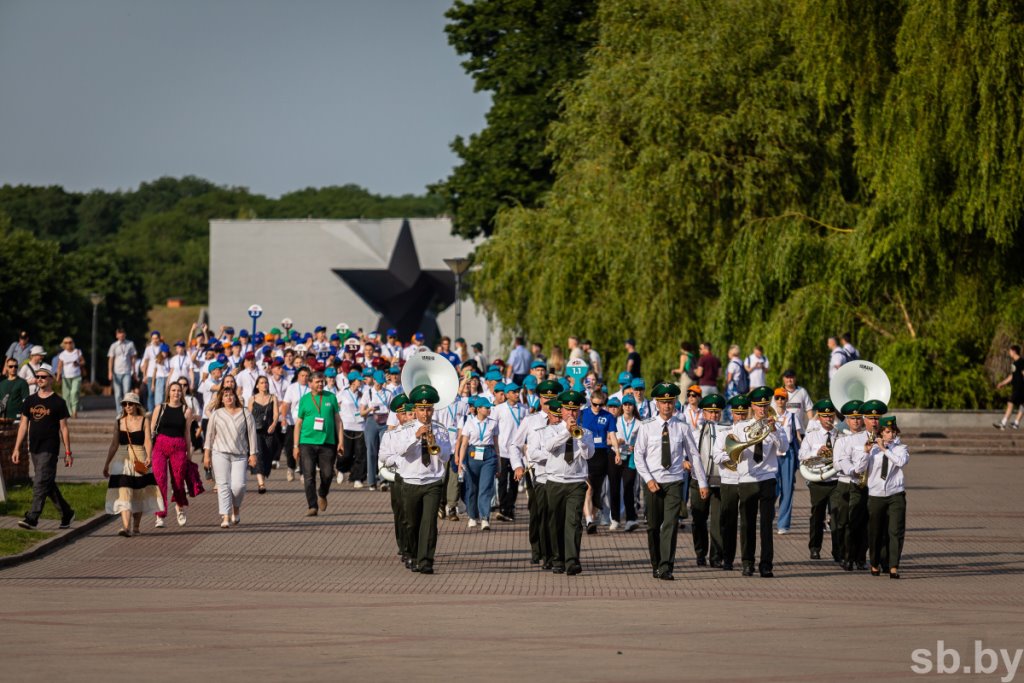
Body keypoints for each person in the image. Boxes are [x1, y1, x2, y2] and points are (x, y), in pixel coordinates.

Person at [634, 382, 707, 580]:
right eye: (663, 402)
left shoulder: (682, 427)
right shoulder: (647, 427)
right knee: (653, 526)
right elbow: (638, 457)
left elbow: (693, 455)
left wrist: (702, 482)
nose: (667, 406)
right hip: (653, 482)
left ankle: (666, 567)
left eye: (670, 401)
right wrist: (648, 480)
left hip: (674, 481)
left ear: (675, 402)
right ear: (656, 403)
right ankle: (656, 563)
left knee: (670, 524)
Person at [714, 386, 788, 577]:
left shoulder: (776, 426)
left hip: (768, 478)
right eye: (758, 406)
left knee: (766, 524)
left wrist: (773, 431)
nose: (762, 409)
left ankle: (766, 564)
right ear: (752, 406)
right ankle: (747, 562)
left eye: (765, 405)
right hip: (746, 478)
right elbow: (731, 450)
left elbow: (784, 448)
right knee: (747, 523)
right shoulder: (740, 427)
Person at [386, 384, 453, 574]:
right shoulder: (404, 430)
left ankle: (426, 561)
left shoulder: (440, 430)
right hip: (410, 481)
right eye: (422, 409)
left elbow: (446, 456)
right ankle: (413, 554)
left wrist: (435, 442)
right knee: (411, 523)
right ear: (415, 410)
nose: (426, 413)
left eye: (429, 409)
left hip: (432, 481)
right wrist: (415, 437)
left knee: (429, 523)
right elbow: (398, 451)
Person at [10, 364, 75, 530]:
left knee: (39, 482)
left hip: (50, 448)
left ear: (51, 379)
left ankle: (32, 517)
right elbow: (23, 425)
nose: (39, 379)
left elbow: (64, 428)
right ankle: (66, 513)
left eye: (43, 377)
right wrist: (17, 448)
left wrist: (68, 452)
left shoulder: (58, 402)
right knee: (47, 482)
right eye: (37, 377)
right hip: (34, 447)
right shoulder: (30, 401)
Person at [538, 390, 595, 576]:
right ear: (561, 410)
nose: (571, 414)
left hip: (576, 481)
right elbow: (548, 447)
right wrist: (566, 431)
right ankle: (558, 559)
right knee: (555, 523)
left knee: (573, 522)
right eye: (568, 410)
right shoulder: (551, 429)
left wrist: (579, 438)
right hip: (554, 481)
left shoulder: (586, 433)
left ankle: (572, 561)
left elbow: (589, 455)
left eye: (575, 410)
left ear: (579, 411)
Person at [512, 379, 562, 567]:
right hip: (535, 472)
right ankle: (537, 549)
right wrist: (517, 465)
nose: (548, 402)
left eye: (552, 398)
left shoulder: (564, 420)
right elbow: (514, 444)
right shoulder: (530, 420)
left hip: (559, 474)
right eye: (545, 398)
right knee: (538, 514)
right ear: (539, 399)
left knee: (553, 515)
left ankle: (551, 554)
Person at [853, 415, 908, 578]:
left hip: (895, 494)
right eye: (887, 432)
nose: (890, 435)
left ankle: (893, 567)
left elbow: (900, 462)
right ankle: (875, 562)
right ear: (881, 434)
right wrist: (866, 452)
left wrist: (885, 450)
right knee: (875, 531)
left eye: (892, 432)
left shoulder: (901, 448)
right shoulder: (872, 449)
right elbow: (859, 468)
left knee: (895, 531)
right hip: (876, 495)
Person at [102, 392, 163, 536]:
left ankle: (136, 527)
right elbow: (114, 444)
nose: (127, 406)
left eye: (130, 404)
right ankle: (125, 527)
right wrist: (106, 464)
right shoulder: (119, 421)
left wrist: (149, 456)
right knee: (124, 492)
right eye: (124, 404)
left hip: (139, 457)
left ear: (136, 405)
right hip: (121, 460)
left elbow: (148, 440)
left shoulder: (144, 420)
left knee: (139, 492)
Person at [203, 384, 258, 528]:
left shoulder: (246, 413)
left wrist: (253, 454)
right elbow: (209, 436)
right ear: (221, 399)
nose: (228, 397)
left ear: (236, 397)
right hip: (220, 453)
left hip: (240, 454)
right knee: (223, 485)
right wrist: (207, 455)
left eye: (231, 395)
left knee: (238, 486)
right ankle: (225, 516)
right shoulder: (216, 414)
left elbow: (252, 435)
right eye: (225, 395)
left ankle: (236, 508)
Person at [294, 371, 345, 516]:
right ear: (310, 384)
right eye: (317, 382)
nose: (321, 384)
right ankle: (312, 506)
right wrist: (295, 446)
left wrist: (340, 441)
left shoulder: (331, 397)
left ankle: (322, 493)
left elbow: (338, 420)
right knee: (308, 475)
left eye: (322, 381)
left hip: (327, 442)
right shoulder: (304, 399)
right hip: (307, 442)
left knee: (328, 474)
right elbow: (298, 423)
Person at [799, 399, 842, 562]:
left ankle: (838, 550)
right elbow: (801, 456)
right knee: (817, 516)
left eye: (830, 416)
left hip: (836, 480)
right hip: (818, 481)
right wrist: (817, 453)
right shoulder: (811, 436)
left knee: (836, 516)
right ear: (819, 418)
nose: (828, 420)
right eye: (825, 417)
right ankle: (815, 547)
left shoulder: (839, 435)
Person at [150, 381, 197, 528]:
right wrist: (147, 451)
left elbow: (187, 434)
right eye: (173, 390)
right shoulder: (160, 408)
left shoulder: (186, 410)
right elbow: (151, 430)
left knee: (177, 480)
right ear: (168, 392)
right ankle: (160, 514)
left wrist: (189, 454)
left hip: (178, 446)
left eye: (178, 390)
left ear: (182, 393)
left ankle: (180, 507)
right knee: (160, 479)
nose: (176, 393)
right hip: (160, 446)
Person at [831, 400, 869, 571]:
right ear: (847, 420)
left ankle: (859, 558)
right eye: (852, 418)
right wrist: (853, 470)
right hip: (845, 484)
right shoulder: (841, 440)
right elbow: (838, 463)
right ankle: (846, 555)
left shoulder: (868, 438)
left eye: (858, 418)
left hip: (863, 486)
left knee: (860, 523)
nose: (856, 421)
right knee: (843, 523)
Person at [690, 394, 725, 567]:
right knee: (698, 519)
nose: (713, 416)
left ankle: (716, 557)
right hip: (699, 481)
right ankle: (700, 552)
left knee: (718, 521)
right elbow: (686, 453)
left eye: (717, 412)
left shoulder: (727, 432)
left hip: (720, 482)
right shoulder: (696, 433)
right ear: (704, 413)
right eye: (710, 412)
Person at [457, 397, 502, 530]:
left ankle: (484, 518)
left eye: (489, 407)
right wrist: (460, 462)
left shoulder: (493, 423)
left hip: (489, 455)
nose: (489, 410)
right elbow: (464, 444)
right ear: (478, 409)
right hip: (472, 454)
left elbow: (496, 444)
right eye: (486, 407)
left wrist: (498, 461)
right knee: (472, 487)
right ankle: (472, 516)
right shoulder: (469, 423)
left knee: (485, 487)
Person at [579, 389, 618, 533]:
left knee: (597, 492)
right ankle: (589, 520)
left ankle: (592, 520)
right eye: (595, 404)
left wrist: (617, 452)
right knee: (588, 489)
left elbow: (612, 435)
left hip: (602, 454)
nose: (598, 408)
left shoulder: (608, 416)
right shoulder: (582, 415)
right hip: (586, 454)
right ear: (590, 401)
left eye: (601, 405)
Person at [717, 395, 749, 570]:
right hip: (729, 480)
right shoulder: (724, 433)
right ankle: (727, 559)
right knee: (728, 521)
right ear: (732, 414)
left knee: (746, 522)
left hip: (746, 480)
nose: (741, 417)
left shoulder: (751, 433)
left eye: (743, 414)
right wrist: (732, 454)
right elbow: (716, 455)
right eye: (737, 414)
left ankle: (746, 560)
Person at [493, 381, 527, 521]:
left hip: (517, 452)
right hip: (502, 450)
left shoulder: (523, 409)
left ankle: (510, 507)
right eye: (513, 392)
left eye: (518, 391)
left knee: (514, 481)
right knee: (502, 481)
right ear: (507, 394)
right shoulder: (499, 409)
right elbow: (494, 430)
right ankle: (502, 507)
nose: (516, 394)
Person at [771, 387, 800, 535]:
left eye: (783, 398)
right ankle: (768, 516)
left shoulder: (792, 416)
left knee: (787, 489)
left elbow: (797, 436)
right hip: (772, 454)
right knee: (772, 488)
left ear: (787, 400)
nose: (780, 401)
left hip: (788, 454)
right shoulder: (770, 415)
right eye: (777, 398)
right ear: (774, 400)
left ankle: (783, 524)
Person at [337, 370, 369, 487]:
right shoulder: (343, 394)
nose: (360, 382)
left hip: (360, 426)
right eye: (358, 381)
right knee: (346, 453)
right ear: (352, 382)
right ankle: (341, 469)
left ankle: (357, 478)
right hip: (346, 425)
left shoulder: (362, 394)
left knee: (360, 454)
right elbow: (336, 407)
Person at [248, 375, 279, 494]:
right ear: (257, 385)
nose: (264, 384)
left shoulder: (273, 398)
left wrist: (274, 424)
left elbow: (276, 414)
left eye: (266, 382)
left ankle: (263, 474)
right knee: (259, 455)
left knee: (267, 456)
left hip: (269, 431)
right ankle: (261, 484)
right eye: (261, 382)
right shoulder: (252, 399)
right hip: (256, 431)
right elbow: (248, 416)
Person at [280, 366, 311, 481]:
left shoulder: (311, 388)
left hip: (307, 423)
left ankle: (303, 472)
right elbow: (286, 404)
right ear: (298, 376)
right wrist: (283, 417)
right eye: (302, 375)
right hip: (292, 421)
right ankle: (291, 467)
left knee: (305, 448)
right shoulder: (292, 388)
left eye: (307, 376)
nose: (304, 378)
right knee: (290, 447)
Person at [107, 328, 137, 412]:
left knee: (126, 392)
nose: (121, 336)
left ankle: (126, 411)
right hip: (116, 372)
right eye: (119, 334)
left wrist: (134, 371)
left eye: (122, 334)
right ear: (117, 335)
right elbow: (111, 359)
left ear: (125, 335)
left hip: (127, 371)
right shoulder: (114, 345)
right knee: (117, 394)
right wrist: (109, 372)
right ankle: (119, 412)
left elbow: (133, 358)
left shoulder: (130, 344)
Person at [994, 344, 1023, 430]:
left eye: (1010, 351)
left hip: (1020, 387)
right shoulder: (1014, 363)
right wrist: (1002, 383)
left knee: (1010, 402)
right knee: (1022, 405)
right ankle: (1016, 423)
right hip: (1016, 387)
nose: (1009, 353)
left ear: (1014, 351)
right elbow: (1012, 376)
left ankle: (1003, 423)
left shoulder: (1021, 362)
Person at [55, 337, 85, 418]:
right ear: (63, 344)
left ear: (73, 343)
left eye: (70, 342)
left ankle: (74, 410)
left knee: (74, 392)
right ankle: (69, 412)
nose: (68, 344)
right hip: (66, 377)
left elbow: (83, 361)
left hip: (76, 376)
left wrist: (78, 364)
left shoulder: (77, 352)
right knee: (66, 395)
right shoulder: (62, 354)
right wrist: (58, 376)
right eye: (66, 342)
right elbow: (59, 366)